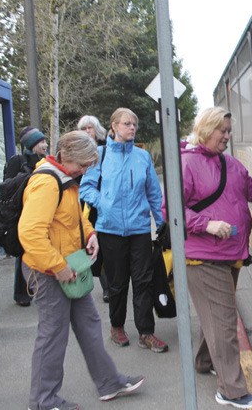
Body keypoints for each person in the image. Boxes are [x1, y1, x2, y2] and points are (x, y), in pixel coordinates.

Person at [19, 130, 144, 410]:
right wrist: (59, 266)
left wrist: (89, 234)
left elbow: (71, 219)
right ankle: (42, 401)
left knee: (88, 324)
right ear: (67, 156)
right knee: (53, 335)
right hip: (51, 271)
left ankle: (109, 382)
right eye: (84, 165)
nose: (86, 171)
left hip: (68, 267)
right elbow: (30, 234)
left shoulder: (63, 179)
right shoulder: (49, 183)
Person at [170, 107, 252, 409]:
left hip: (229, 255)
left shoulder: (230, 164)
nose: (227, 136)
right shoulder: (186, 164)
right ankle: (230, 391)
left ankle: (204, 361)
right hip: (203, 258)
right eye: (223, 130)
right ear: (206, 129)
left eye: (229, 131)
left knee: (217, 317)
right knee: (224, 324)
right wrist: (205, 224)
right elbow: (173, 211)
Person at [80, 107, 167, 352]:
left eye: (134, 124)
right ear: (114, 126)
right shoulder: (100, 154)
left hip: (139, 229)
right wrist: (103, 203)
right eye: (127, 124)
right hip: (110, 229)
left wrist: (161, 223)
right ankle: (117, 326)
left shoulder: (143, 157)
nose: (132, 128)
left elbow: (153, 192)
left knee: (143, 281)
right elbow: (85, 189)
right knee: (117, 283)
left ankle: (146, 332)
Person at [4, 126, 48, 307]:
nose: (45, 145)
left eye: (45, 141)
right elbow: (7, 186)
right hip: (22, 212)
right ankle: (22, 292)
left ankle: (37, 287)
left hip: (41, 210)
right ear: (32, 144)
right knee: (22, 253)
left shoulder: (45, 160)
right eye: (41, 142)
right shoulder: (17, 161)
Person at [76, 115, 109, 303]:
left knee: (104, 244)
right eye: (84, 128)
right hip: (83, 203)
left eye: (90, 128)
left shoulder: (105, 149)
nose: (87, 131)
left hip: (101, 202)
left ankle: (109, 285)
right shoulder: (77, 150)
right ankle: (102, 284)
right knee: (90, 243)